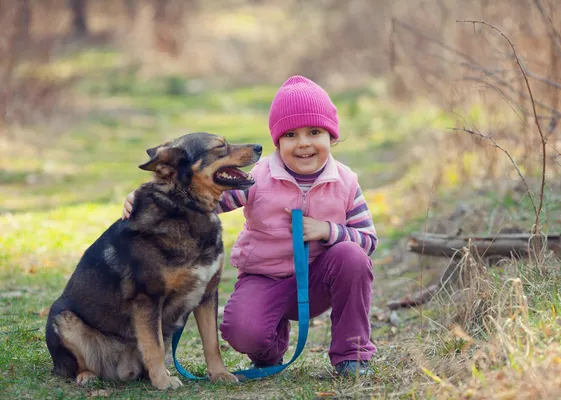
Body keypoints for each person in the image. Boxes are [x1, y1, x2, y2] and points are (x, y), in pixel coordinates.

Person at [122, 75, 378, 377]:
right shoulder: (258, 178)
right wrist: (146, 196)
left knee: (353, 257)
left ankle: (352, 354)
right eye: (291, 135)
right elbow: (198, 201)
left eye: (315, 132)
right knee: (242, 330)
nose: (304, 143)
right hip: (265, 278)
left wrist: (328, 231)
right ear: (278, 141)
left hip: (321, 278)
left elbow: (367, 240)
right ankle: (268, 349)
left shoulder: (346, 182)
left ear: (331, 137)